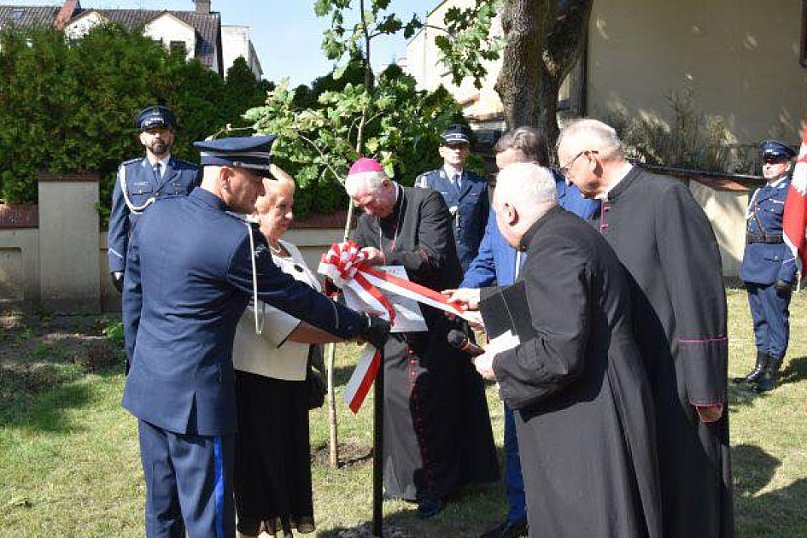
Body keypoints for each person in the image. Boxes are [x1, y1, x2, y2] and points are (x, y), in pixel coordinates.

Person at [121, 136, 390, 538]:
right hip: (199, 405)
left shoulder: (155, 214)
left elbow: (134, 298)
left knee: (163, 514)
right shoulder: (235, 239)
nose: (262, 189)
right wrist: (363, 325)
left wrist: (137, 361)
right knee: (208, 521)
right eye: (256, 179)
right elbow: (296, 298)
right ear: (227, 177)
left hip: (149, 390)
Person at [447, 162, 663, 538]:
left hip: (591, 410)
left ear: (509, 212)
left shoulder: (552, 247)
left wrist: (498, 364)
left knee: (590, 519)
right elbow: (561, 299)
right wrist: (486, 302)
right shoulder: (568, 229)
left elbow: (560, 351)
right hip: (606, 393)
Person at [557, 118, 733, 538]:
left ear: (590, 158)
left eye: (566, 168)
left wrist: (705, 387)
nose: (566, 178)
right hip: (635, 371)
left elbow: (698, 293)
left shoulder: (665, 197)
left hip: (675, 375)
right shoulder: (605, 208)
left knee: (687, 484)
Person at [460, 126, 599, 538]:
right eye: (497, 175)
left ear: (536, 168)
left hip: (553, 330)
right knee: (514, 413)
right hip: (508, 324)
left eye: (509, 173)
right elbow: (486, 257)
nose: (501, 183)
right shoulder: (501, 204)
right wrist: (469, 295)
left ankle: (554, 512)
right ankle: (520, 514)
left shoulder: (574, 204)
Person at [346, 157, 499, 519]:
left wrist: (380, 256)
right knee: (400, 402)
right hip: (397, 325)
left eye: (370, 202)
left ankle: (441, 485)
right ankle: (407, 482)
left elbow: (432, 257)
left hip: (435, 320)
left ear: (386, 184)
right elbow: (357, 251)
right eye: (360, 206)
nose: (367, 212)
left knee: (436, 403)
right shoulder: (369, 219)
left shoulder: (426, 201)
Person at [232, 167, 334, 538]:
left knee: (285, 470)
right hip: (257, 382)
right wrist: (344, 332)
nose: (291, 217)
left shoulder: (287, 249)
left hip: (292, 380)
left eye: (292, 207)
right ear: (257, 208)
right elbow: (276, 323)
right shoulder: (244, 251)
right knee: (259, 479)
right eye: (282, 207)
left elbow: (311, 300)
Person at [108, 105, 199, 292]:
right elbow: (118, 221)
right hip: (138, 261)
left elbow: (199, 221)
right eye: (151, 131)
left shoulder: (190, 173)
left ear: (171, 136)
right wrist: (117, 264)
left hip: (179, 260)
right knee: (136, 317)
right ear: (142, 138)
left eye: (163, 130)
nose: (157, 135)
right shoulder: (128, 173)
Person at [735, 140, 797, 393]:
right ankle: (760, 366)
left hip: (774, 267)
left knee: (775, 320)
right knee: (759, 320)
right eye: (765, 162)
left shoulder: (793, 197)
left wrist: (787, 273)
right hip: (754, 265)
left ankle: (772, 371)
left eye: (773, 162)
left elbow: (795, 238)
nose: (767, 166)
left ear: (787, 164)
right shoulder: (758, 193)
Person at [414, 124, 489, 272]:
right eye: (451, 146)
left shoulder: (479, 184)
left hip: (469, 261)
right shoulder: (427, 181)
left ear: (467, 151)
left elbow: (484, 226)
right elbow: (416, 223)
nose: (457, 150)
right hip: (436, 260)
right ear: (441, 151)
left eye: (461, 146)